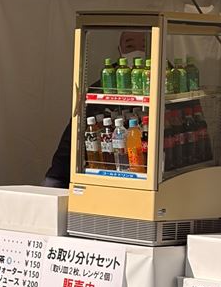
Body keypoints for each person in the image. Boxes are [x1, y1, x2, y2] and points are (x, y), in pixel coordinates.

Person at [43, 29, 149, 188]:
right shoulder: (104, 85)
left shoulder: (159, 79)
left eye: (142, 45)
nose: (136, 51)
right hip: (108, 169)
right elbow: (72, 137)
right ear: (119, 50)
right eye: (130, 45)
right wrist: (55, 178)